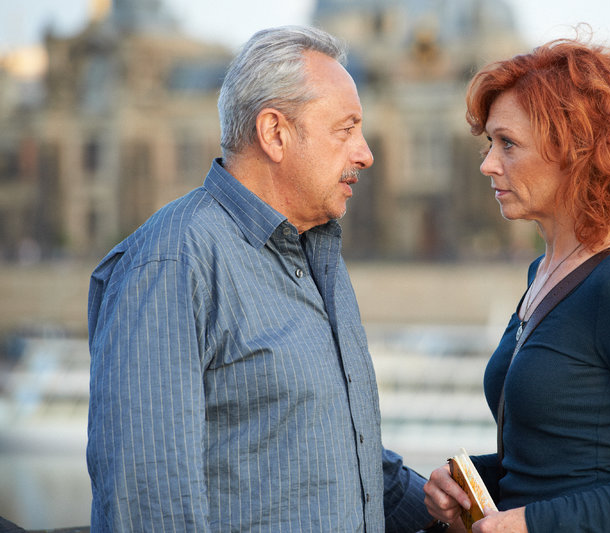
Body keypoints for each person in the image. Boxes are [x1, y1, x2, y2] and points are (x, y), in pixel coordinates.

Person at [86, 26, 437, 532]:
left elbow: (325, 443)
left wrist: (443, 509)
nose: (366, 153)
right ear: (275, 133)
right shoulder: (171, 264)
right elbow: (148, 505)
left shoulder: (315, 250)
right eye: (346, 129)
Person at [423, 35, 610, 532]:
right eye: (489, 143)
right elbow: (560, 459)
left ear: (575, 152)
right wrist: (469, 481)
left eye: (508, 144)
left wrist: (532, 523)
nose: (487, 163)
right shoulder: (542, 273)